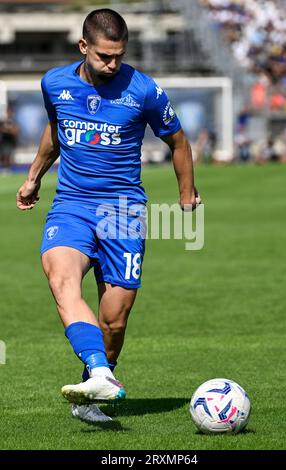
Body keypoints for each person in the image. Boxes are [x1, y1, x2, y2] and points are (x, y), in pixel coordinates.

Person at [16, 9, 199, 424]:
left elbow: (179, 141)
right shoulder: (54, 83)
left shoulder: (145, 90)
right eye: (104, 56)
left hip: (123, 212)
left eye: (119, 56)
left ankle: (93, 387)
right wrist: (33, 178)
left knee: (113, 321)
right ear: (84, 47)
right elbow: (55, 130)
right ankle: (100, 372)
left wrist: (186, 194)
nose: (113, 64)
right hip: (72, 204)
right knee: (60, 277)